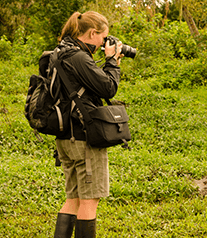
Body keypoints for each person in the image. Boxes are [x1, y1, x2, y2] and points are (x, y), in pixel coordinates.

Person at [52, 11, 123, 238]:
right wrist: (112, 61)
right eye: (103, 38)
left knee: (73, 199)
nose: (103, 43)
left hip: (65, 137)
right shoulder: (78, 57)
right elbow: (108, 88)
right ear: (93, 33)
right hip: (84, 139)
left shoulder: (58, 53)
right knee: (89, 201)